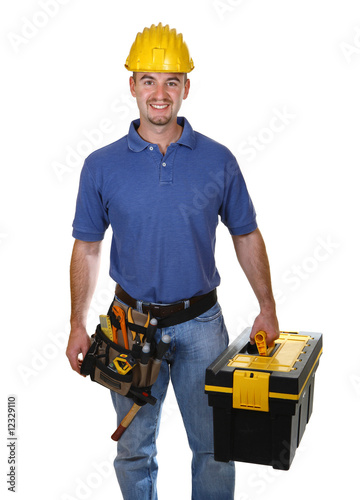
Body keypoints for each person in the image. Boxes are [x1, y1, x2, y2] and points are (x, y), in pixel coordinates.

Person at [66, 23, 279, 500]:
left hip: (202, 325)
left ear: (186, 86)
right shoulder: (101, 166)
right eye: (148, 80)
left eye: (171, 81)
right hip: (129, 327)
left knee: (216, 448)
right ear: (132, 86)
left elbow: (244, 233)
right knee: (135, 450)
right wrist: (78, 323)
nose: (159, 94)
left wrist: (267, 306)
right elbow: (87, 246)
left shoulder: (218, 160)